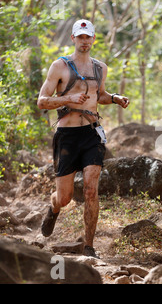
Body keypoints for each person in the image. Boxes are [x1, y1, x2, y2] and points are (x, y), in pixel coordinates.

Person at [37, 19, 129, 257]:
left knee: (90, 189)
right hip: (67, 136)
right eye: (81, 37)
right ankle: (53, 206)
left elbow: (100, 96)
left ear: (93, 39)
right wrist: (67, 99)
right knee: (65, 197)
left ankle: (89, 246)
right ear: (73, 39)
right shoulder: (60, 66)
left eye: (88, 37)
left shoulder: (100, 68)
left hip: (91, 132)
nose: (85, 41)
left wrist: (116, 98)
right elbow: (42, 102)